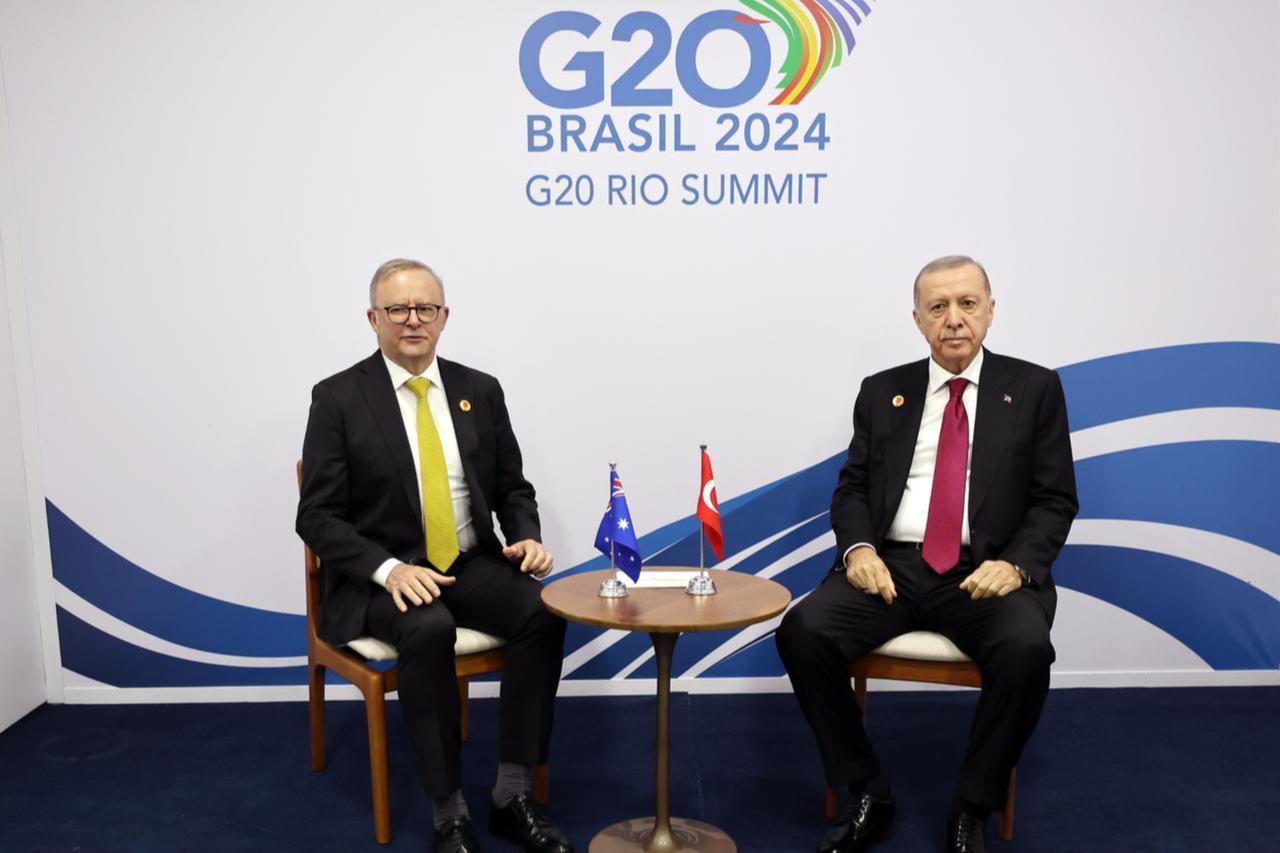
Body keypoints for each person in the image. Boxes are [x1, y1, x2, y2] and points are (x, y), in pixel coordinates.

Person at [776, 255, 1078, 853]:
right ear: (918, 320)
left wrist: (1015, 565)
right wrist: (859, 549)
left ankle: (972, 806)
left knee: (1025, 649)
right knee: (802, 630)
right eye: (938, 307)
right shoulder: (883, 390)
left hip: (984, 572)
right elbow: (854, 488)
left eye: (967, 304)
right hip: (894, 566)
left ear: (991, 310)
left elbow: (1054, 500)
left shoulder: (1035, 387)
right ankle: (867, 791)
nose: (954, 320)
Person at [296, 258, 573, 853]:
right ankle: (449, 812)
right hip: (381, 576)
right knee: (428, 628)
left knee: (542, 610)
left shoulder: (479, 390)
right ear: (373, 319)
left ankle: (512, 793)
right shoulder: (338, 398)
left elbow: (511, 488)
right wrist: (389, 569)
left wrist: (524, 533)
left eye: (426, 308)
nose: (413, 320)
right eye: (398, 309)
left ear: (445, 317)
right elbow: (315, 516)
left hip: (466, 562)